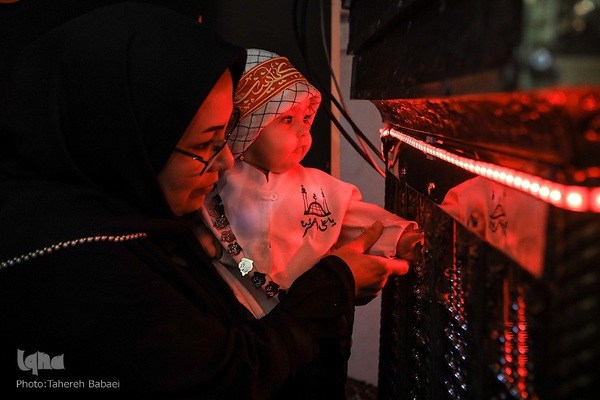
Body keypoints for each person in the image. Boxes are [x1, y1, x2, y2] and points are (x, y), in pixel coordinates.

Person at [0, 3, 409, 399]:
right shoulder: (76, 264)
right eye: (206, 145)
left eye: (225, 138)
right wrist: (334, 284)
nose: (228, 160)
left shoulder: (148, 218)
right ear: (131, 140)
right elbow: (227, 377)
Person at [200, 48, 423, 317]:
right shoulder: (214, 186)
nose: (303, 131)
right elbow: (216, 244)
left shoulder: (319, 189)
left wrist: (399, 238)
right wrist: (214, 248)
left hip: (313, 320)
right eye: (287, 120)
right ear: (247, 130)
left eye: (306, 118)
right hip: (240, 318)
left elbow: (360, 222)